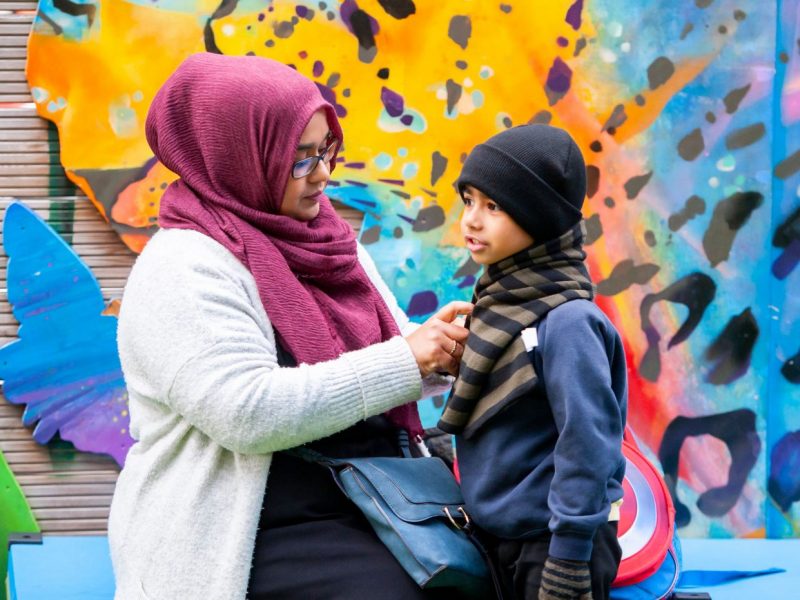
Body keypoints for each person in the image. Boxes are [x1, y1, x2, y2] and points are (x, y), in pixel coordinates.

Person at [108, 52, 472, 600]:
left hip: (369, 494)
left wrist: (448, 347)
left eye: (325, 151)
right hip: (251, 529)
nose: (323, 174)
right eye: (300, 159)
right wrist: (409, 358)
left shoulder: (325, 239)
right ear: (239, 157)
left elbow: (393, 351)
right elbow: (246, 413)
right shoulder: (181, 266)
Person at [437, 124, 628, 600]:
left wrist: (568, 558)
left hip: (557, 548)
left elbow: (588, 444)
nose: (471, 221)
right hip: (502, 538)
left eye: (494, 207)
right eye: (468, 200)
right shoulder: (498, 305)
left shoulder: (567, 322)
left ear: (540, 217)